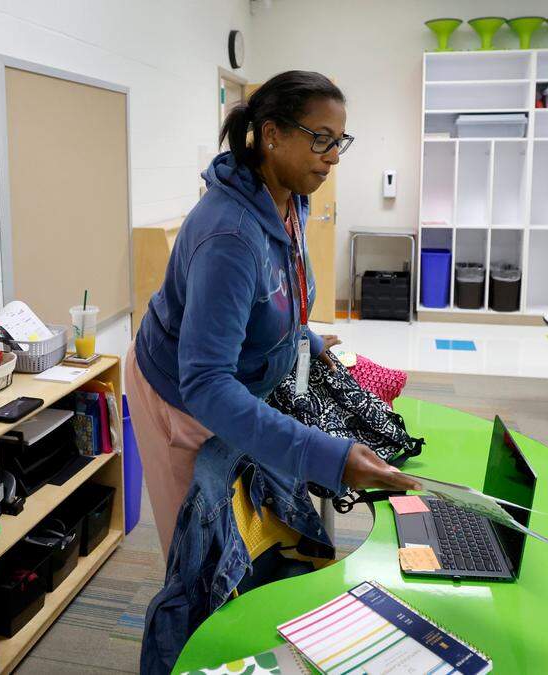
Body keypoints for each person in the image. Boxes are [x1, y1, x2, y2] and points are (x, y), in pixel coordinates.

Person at [125, 70, 420, 557]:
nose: (331, 157)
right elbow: (206, 385)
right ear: (272, 134)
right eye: (319, 139)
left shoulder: (292, 200)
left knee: (259, 532)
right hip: (179, 392)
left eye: (338, 142)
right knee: (201, 558)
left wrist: (303, 339)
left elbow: (273, 293)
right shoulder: (230, 237)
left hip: (236, 380)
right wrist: (328, 457)